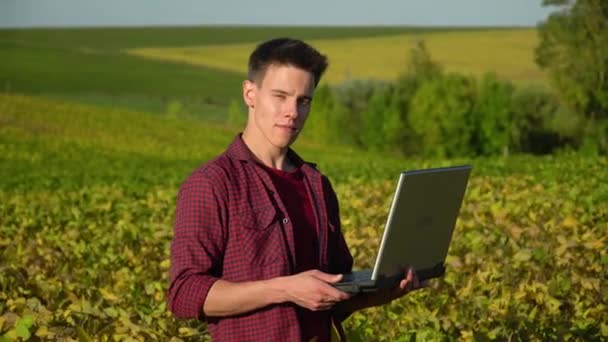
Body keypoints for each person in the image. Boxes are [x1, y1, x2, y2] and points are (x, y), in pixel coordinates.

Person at [168, 37, 426, 342]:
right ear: (250, 93)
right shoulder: (213, 183)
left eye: (304, 100)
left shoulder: (317, 185)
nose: (293, 111)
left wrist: (387, 290)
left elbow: (336, 297)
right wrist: (285, 288)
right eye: (280, 96)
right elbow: (184, 294)